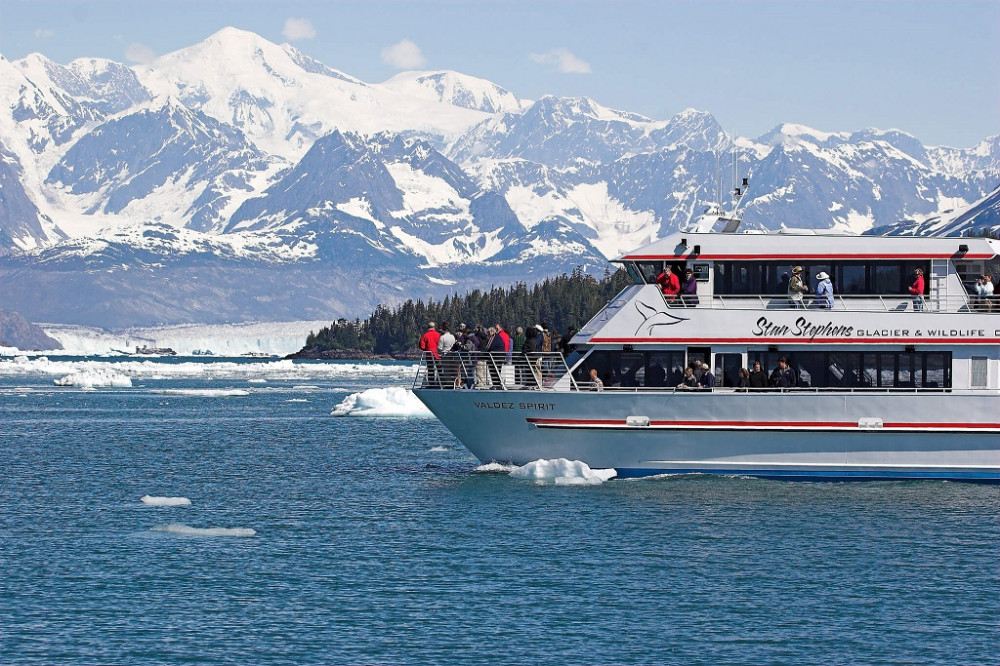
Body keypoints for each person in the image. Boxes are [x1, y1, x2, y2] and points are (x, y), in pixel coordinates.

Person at [418, 321, 441, 386]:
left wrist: (426, 349)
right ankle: (441, 382)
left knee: (431, 370)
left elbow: (422, 346)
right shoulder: (438, 335)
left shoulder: (425, 335)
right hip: (437, 354)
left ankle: (432, 384)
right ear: (434, 327)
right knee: (439, 368)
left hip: (429, 354)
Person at [437, 322, 457, 388]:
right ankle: (453, 382)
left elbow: (439, 348)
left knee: (446, 371)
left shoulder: (442, 337)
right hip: (452, 355)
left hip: (445, 355)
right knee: (453, 370)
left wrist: (440, 352)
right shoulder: (452, 336)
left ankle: (449, 384)